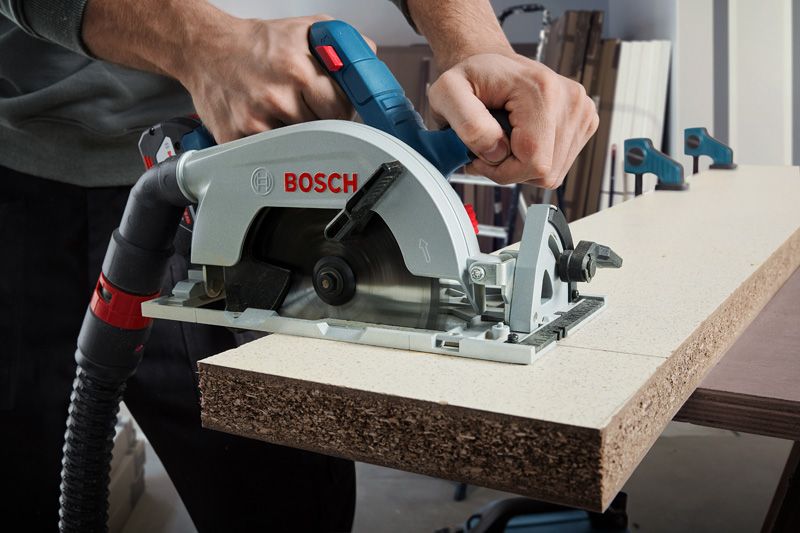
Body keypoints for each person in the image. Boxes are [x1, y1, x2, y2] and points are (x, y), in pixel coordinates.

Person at [0, 0, 597, 531]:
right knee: (26, 487)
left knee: (285, 504)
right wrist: (201, 42)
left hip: (233, 182)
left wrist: (477, 46)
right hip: (29, 176)